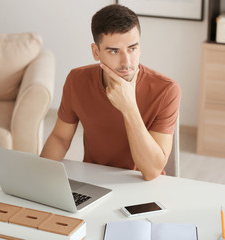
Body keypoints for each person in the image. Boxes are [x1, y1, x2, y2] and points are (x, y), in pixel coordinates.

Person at [41, 4, 181, 181]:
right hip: (94, 179)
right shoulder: (77, 80)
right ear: (96, 52)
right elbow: (60, 138)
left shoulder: (166, 90)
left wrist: (129, 107)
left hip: (140, 185)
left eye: (132, 48)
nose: (126, 62)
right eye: (114, 51)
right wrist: (40, 177)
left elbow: (151, 172)